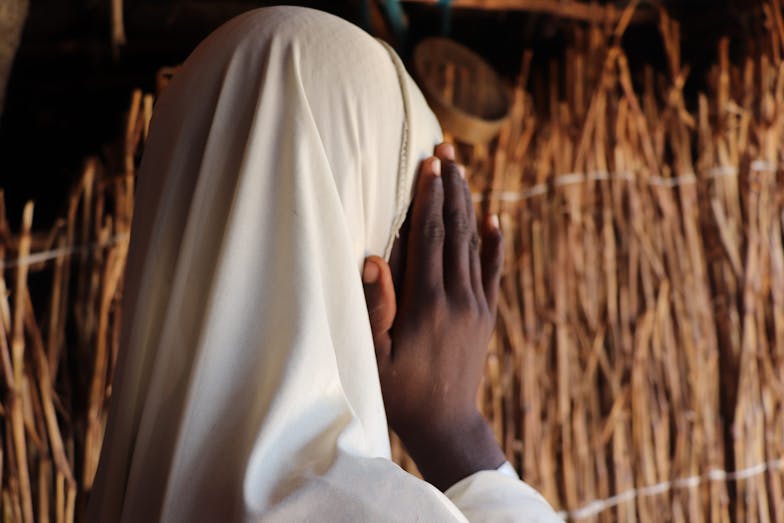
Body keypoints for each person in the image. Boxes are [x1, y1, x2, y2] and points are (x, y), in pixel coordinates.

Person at [88, 6, 559, 522]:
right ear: (347, 239)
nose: (421, 289)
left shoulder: (130, 495)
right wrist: (457, 433)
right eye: (403, 228)